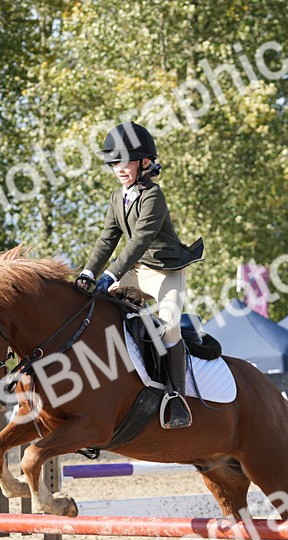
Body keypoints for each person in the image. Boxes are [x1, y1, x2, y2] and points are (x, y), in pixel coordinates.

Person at [76, 121, 204, 429]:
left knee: (170, 325)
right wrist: (88, 272)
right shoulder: (116, 197)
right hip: (134, 272)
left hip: (164, 273)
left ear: (144, 162)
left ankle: (177, 397)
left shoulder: (153, 196)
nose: (120, 168)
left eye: (126, 161)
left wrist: (110, 274)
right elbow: (107, 239)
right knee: (96, 307)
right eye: (115, 162)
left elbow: (138, 241)